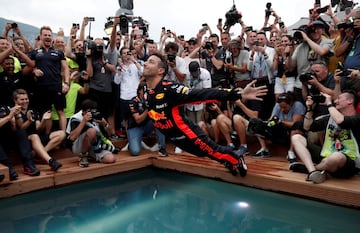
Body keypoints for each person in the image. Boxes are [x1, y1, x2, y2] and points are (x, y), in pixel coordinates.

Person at [143, 53, 267, 176]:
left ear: (161, 70)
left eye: (151, 62)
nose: (145, 63)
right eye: (146, 61)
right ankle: (226, 160)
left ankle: (236, 159)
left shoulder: (170, 89)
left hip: (189, 134)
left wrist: (237, 94)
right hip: (176, 139)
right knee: (203, 154)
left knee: (213, 152)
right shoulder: (147, 92)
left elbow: (204, 94)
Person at [291, 90, 360, 184]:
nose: (335, 101)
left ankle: (312, 168)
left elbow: (342, 121)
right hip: (326, 156)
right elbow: (307, 127)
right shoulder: (329, 118)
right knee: (296, 138)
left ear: (350, 101)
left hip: (349, 163)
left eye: (339, 98)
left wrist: (329, 103)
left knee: (336, 156)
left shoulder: (357, 118)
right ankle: (313, 172)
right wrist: (309, 109)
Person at [28, 26, 70, 132]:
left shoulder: (59, 53)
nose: (47, 37)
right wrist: (34, 71)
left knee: (60, 111)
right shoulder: (35, 53)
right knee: (47, 113)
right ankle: (47, 136)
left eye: (49, 35)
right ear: (41, 37)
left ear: (52, 38)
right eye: (45, 35)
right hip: (41, 87)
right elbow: (29, 67)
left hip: (56, 86)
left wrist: (67, 83)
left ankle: (63, 136)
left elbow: (66, 68)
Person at [13, 89, 64, 171]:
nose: (25, 101)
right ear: (15, 100)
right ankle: (50, 161)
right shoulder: (14, 112)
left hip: (36, 140)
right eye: (22, 99)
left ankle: (40, 154)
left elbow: (38, 128)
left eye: (26, 99)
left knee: (61, 134)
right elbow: (21, 127)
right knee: (34, 136)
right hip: (23, 142)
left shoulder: (33, 110)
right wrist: (29, 121)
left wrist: (44, 119)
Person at [65, 99, 117, 167]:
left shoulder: (96, 116)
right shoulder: (76, 118)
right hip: (77, 145)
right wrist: (84, 121)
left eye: (93, 111)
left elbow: (109, 134)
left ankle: (90, 156)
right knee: (92, 131)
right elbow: (72, 137)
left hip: (94, 145)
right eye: (89, 111)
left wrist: (105, 124)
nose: (92, 113)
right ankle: (83, 156)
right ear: (83, 111)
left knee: (111, 159)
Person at [125, 82, 167, 156]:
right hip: (135, 127)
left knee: (159, 119)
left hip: (147, 126)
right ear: (139, 91)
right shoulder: (133, 101)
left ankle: (161, 148)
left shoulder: (151, 99)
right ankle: (132, 144)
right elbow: (138, 120)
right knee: (135, 152)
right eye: (144, 90)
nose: (146, 92)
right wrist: (148, 108)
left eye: (148, 90)